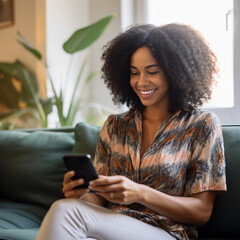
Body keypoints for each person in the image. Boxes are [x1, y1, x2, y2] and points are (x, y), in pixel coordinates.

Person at [36, 23, 227, 240]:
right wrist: (81, 195)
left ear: (175, 73)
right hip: (112, 226)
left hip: (166, 232)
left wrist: (141, 193)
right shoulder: (115, 126)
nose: (141, 82)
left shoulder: (202, 125)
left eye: (152, 72)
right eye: (134, 73)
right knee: (68, 209)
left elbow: (202, 212)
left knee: (65, 212)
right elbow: (97, 200)